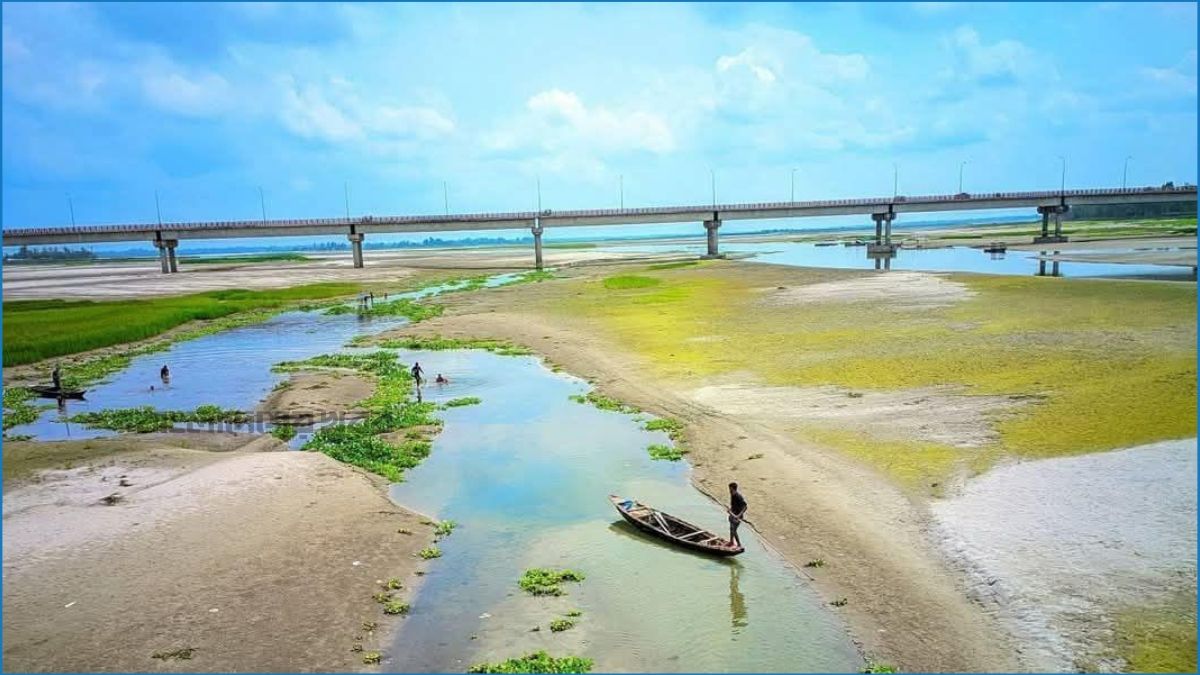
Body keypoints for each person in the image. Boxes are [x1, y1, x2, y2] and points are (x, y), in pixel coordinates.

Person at [728, 482, 748, 548]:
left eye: (730, 489)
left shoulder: (738, 496)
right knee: (731, 528)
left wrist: (738, 515)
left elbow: (745, 507)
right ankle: (731, 542)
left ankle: (739, 544)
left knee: (734, 530)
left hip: (737, 516)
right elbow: (733, 505)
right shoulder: (732, 495)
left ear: (733, 489)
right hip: (732, 515)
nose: (729, 490)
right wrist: (730, 510)